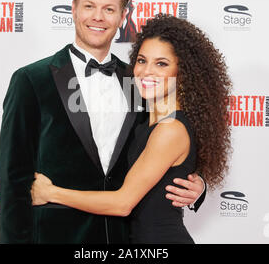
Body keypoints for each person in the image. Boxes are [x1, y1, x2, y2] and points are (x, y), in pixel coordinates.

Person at [0, 0, 205, 244]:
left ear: (122, 16)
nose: (98, 17)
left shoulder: (136, 81)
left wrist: (199, 185)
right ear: (73, 8)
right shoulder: (31, 80)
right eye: (89, 6)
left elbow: (162, 144)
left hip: (122, 238)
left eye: (109, 9)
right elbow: (13, 181)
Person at [31, 14, 232, 243]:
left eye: (161, 64)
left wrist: (50, 193)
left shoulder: (171, 130)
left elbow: (123, 203)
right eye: (142, 60)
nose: (146, 71)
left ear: (183, 73)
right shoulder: (146, 118)